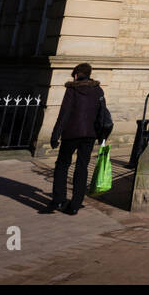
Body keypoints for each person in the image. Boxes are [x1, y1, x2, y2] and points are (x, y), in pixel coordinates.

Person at [40, 63, 107, 215]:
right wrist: (101, 135)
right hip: (89, 135)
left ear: (76, 75)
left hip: (71, 134)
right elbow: (102, 115)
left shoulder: (72, 90)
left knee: (62, 165)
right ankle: (76, 204)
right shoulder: (98, 90)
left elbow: (64, 114)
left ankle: (58, 200)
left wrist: (55, 135)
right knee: (82, 168)